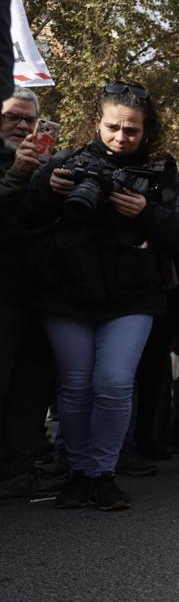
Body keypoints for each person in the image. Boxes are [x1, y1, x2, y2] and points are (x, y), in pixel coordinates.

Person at [21, 82, 179, 510]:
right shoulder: (66, 162)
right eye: (113, 127)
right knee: (77, 385)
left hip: (132, 295)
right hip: (66, 292)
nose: (121, 137)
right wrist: (47, 189)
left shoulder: (161, 171)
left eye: (132, 130)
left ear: (146, 130)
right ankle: (79, 474)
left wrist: (147, 212)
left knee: (115, 383)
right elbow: (27, 218)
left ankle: (103, 473)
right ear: (97, 123)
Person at [0, 86, 58, 492]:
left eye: (28, 119)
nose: (21, 125)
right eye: (11, 117)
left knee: (31, 384)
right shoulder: (18, 167)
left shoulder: (48, 165)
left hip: (39, 291)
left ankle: (17, 467)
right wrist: (17, 175)